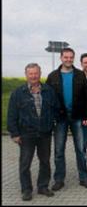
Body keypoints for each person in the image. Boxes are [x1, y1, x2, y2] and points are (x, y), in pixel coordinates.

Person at [7, 63, 61, 201]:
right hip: (26, 133)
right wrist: (15, 133)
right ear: (26, 75)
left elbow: (57, 108)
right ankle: (26, 189)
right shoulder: (18, 93)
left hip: (44, 132)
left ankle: (42, 186)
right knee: (25, 163)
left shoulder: (48, 91)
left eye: (36, 73)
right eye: (30, 73)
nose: (33, 76)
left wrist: (53, 123)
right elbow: (12, 115)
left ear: (40, 73)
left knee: (45, 161)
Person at [46, 48, 87, 191]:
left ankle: (84, 177)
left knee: (81, 149)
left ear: (74, 59)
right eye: (66, 57)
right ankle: (59, 179)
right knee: (59, 150)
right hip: (60, 117)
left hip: (77, 116)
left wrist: (86, 116)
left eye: (71, 57)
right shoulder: (53, 76)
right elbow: (48, 99)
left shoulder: (80, 75)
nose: (68, 60)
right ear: (61, 58)